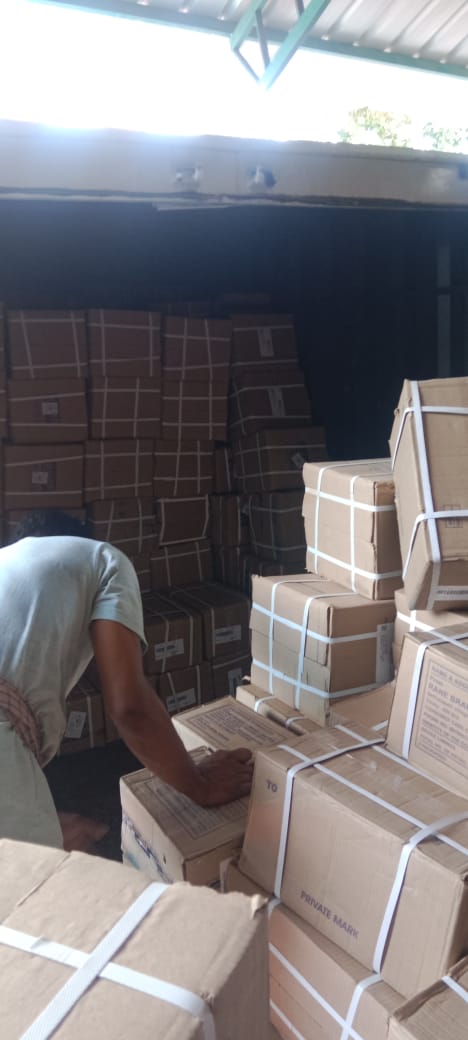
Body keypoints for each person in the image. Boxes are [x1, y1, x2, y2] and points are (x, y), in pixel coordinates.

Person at [0, 510, 253, 849]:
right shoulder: (103, 558)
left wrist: (37, 813)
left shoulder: (9, 566)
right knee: (41, 878)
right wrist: (201, 785)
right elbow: (129, 706)